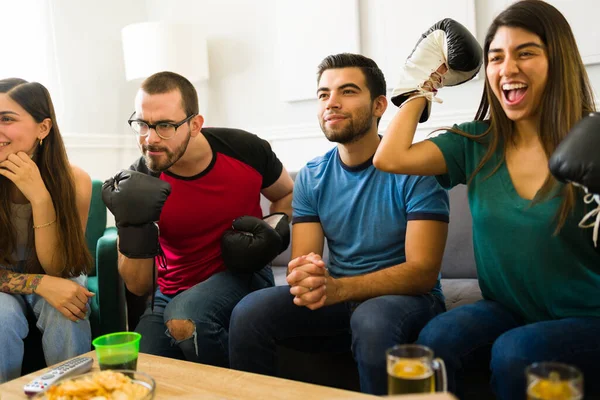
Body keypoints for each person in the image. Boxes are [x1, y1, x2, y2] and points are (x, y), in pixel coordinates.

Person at [373, 1, 600, 398]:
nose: (507, 68)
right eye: (496, 57)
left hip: (588, 317)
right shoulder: (476, 143)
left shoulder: (591, 142)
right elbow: (389, 157)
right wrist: (419, 84)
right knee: (436, 340)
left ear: (558, 61)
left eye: (525, 53)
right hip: (509, 308)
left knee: (518, 351)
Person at [229, 53, 450, 395]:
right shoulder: (313, 176)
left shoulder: (416, 168)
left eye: (347, 91)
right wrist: (307, 276)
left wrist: (339, 289)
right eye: (323, 94)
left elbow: (421, 272)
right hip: (339, 300)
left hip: (408, 300)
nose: (331, 103)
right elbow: (304, 263)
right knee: (249, 311)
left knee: (371, 319)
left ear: (379, 106)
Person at [102, 71, 294, 367]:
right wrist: (131, 224)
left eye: (165, 125)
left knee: (186, 316)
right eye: (142, 124)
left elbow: (286, 194)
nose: (150, 139)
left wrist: (273, 234)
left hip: (243, 274)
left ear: (195, 124)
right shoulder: (137, 182)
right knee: (142, 367)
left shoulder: (245, 150)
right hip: (170, 290)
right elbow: (139, 287)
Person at [0, 78, 94, 383]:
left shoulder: (74, 181)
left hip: (57, 269)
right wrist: (38, 284)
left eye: (6, 119)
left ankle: (75, 392)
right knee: (1, 318)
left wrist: (39, 196)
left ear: (43, 128)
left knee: (68, 310)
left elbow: (59, 267)